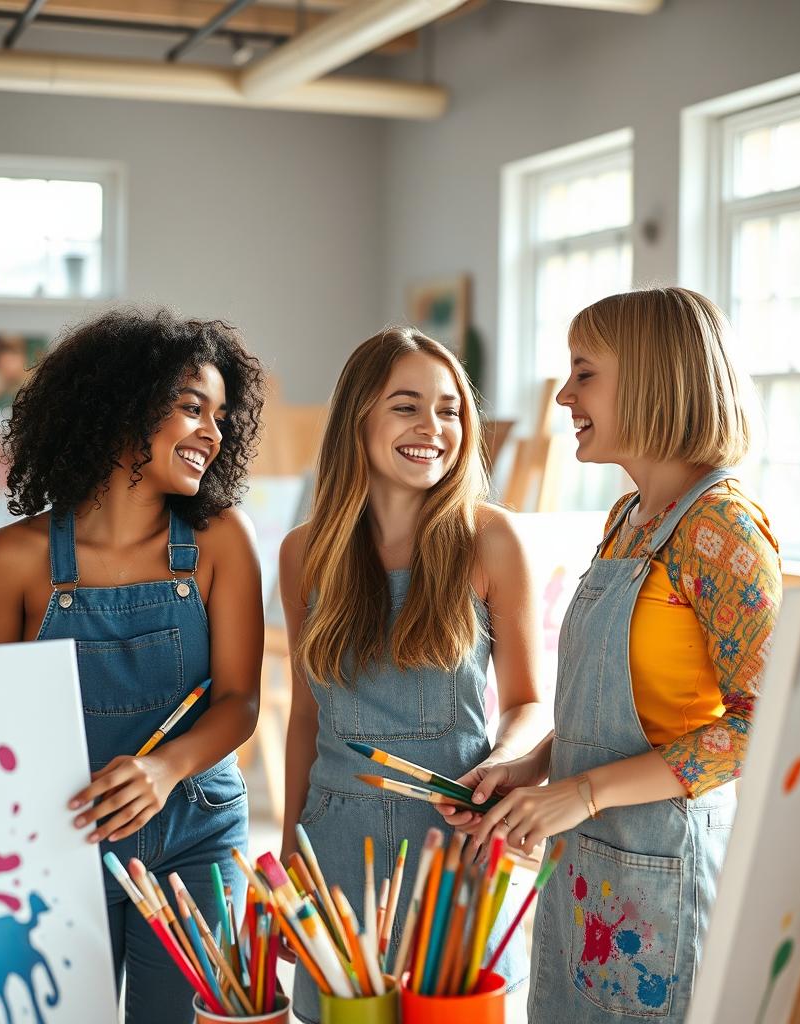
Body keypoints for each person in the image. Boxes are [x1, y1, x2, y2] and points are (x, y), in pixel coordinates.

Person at [442, 287, 782, 1023]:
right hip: (585, 865)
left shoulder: (723, 531)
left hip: (663, 871)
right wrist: (530, 770)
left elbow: (764, 724)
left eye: (584, 371)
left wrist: (585, 792)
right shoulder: (627, 520)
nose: (564, 394)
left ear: (654, 378)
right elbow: (618, 709)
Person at [0, 308, 266, 1024]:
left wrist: (164, 769)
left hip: (198, 832)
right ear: (123, 407)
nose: (214, 432)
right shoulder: (11, 561)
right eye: (193, 407)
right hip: (60, 836)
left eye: (222, 415)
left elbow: (240, 703)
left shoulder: (224, 540)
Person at [279, 326, 544, 1022]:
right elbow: (306, 719)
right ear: (359, 419)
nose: (435, 426)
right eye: (407, 406)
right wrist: (287, 860)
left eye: (451, 408)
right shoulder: (303, 554)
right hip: (334, 844)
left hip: (455, 843)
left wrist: (504, 769)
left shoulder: (492, 538)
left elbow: (528, 705)